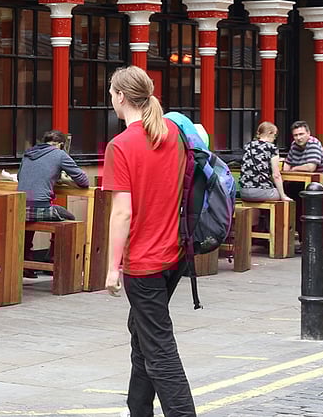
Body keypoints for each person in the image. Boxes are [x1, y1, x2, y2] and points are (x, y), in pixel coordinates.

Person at [103, 65, 196, 417]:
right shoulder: (172, 132)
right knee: (142, 335)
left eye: (112, 93)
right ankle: (138, 409)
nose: (111, 99)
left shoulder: (121, 146)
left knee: (159, 349)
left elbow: (122, 213)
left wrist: (113, 268)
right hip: (174, 255)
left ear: (121, 97)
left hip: (143, 262)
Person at [17, 129, 89, 277]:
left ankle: (26, 262)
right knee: (70, 218)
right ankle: (52, 260)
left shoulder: (29, 153)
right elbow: (84, 181)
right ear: (60, 145)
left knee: (29, 221)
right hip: (41, 208)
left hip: (20, 206)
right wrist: (64, 180)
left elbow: (19, 177)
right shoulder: (59, 154)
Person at [239, 122, 292, 202]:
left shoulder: (248, 146)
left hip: (244, 192)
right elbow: (276, 175)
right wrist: (283, 195)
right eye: (275, 135)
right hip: (261, 191)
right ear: (270, 133)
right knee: (282, 193)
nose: (274, 138)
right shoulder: (272, 148)